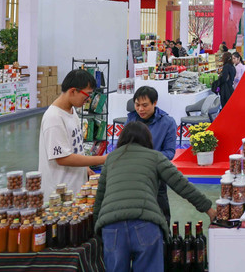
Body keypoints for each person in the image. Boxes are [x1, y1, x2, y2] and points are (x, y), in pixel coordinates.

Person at [93, 121, 216, 272]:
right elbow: (181, 184)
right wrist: (209, 209)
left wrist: (94, 229)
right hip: (145, 224)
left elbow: (99, 197)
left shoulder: (111, 158)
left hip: (112, 227)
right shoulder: (155, 156)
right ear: (147, 139)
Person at [38, 69, 107, 198]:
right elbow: (62, 158)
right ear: (73, 91)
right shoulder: (54, 118)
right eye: (87, 95)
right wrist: (102, 159)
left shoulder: (71, 111)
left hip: (74, 189)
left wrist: (85, 167)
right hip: (60, 194)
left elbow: (74, 146)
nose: (88, 100)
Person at [125, 86, 177, 227]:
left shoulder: (167, 122)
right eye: (137, 105)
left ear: (155, 103)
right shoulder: (131, 119)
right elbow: (123, 146)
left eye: (145, 105)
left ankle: (165, 235)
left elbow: (170, 152)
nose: (140, 109)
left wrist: (147, 157)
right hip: (133, 174)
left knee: (161, 213)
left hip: (156, 174)